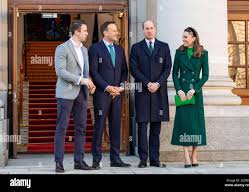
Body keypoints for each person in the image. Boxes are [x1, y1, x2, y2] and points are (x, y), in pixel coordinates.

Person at [54, 20, 96, 173]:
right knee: (62, 128)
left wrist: (89, 82)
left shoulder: (84, 50)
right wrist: (80, 80)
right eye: (84, 31)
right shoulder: (62, 48)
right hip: (65, 93)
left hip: (81, 94)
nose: (86, 33)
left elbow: (84, 72)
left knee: (81, 128)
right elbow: (60, 71)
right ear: (77, 32)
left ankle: (79, 161)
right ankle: (59, 162)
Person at [130, 20, 172, 168]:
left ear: (155, 29)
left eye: (151, 28)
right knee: (142, 126)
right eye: (146, 28)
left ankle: (155, 159)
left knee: (156, 127)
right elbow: (134, 69)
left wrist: (157, 83)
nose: (149, 30)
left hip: (158, 92)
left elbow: (167, 68)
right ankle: (143, 159)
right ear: (143, 30)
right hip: (143, 92)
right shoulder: (136, 48)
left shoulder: (164, 47)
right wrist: (148, 83)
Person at [88, 21, 130, 169]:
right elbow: (93, 71)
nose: (117, 32)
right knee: (99, 126)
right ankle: (96, 159)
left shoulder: (119, 50)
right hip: (102, 94)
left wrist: (119, 88)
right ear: (105, 33)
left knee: (115, 126)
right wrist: (107, 87)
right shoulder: (95, 49)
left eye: (116, 30)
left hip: (117, 95)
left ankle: (115, 158)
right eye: (113, 30)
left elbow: (124, 70)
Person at [171, 27, 209, 168]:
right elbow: (175, 74)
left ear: (193, 38)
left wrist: (195, 89)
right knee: (184, 123)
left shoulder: (203, 53)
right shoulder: (178, 52)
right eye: (183, 37)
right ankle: (186, 154)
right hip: (183, 94)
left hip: (195, 94)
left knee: (196, 125)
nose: (183, 39)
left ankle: (194, 154)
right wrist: (179, 89)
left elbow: (205, 75)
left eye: (186, 37)